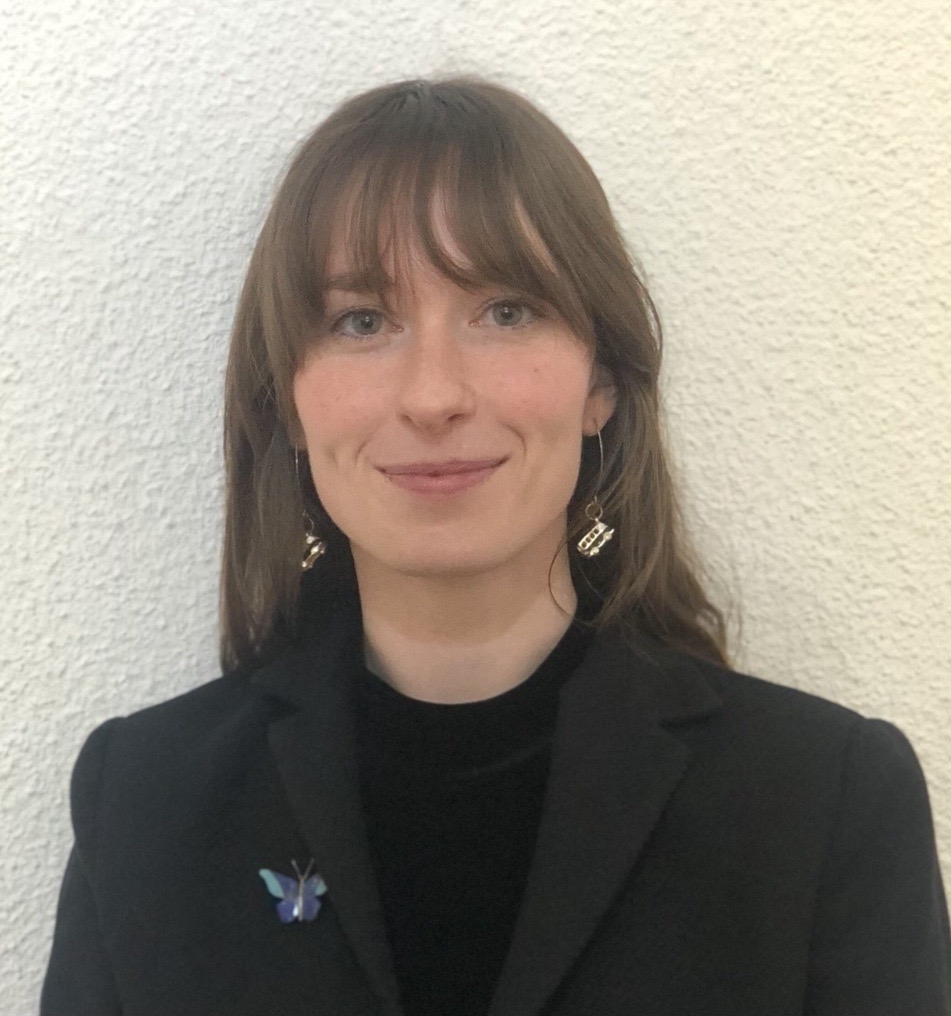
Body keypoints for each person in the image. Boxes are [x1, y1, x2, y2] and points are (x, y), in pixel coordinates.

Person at [41, 76, 950, 1016]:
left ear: (601, 382)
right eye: (362, 320)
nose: (433, 395)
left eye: (505, 311)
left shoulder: (822, 801)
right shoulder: (143, 801)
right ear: (290, 403)